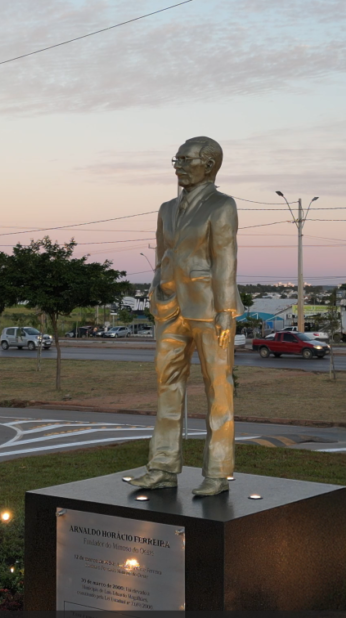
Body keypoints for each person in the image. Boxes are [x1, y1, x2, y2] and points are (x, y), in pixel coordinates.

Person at [127, 136, 243, 497]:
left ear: (208, 165)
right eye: (175, 159)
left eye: (184, 159)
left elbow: (225, 259)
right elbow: (163, 253)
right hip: (169, 307)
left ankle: (217, 473)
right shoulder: (165, 209)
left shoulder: (222, 205)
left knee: (219, 390)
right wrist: (155, 290)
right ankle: (162, 467)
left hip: (209, 309)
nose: (177, 165)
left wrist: (226, 312)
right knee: (167, 388)